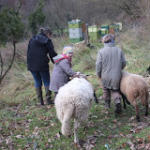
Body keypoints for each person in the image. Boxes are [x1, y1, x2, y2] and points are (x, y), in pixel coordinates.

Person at [96, 34, 126, 114]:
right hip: (117, 75)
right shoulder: (119, 50)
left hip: (105, 75)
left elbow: (98, 65)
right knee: (115, 90)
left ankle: (107, 105)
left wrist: (98, 74)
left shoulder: (101, 51)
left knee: (105, 90)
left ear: (104, 41)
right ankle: (117, 102)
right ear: (113, 40)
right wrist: (119, 69)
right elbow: (124, 62)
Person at [27, 27, 57, 105]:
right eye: (51, 35)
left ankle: (40, 102)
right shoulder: (47, 41)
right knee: (46, 81)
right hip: (42, 64)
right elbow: (52, 53)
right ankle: (48, 100)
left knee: (37, 81)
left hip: (31, 64)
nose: (50, 37)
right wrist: (57, 62)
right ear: (48, 34)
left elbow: (29, 52)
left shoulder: (32, 39)